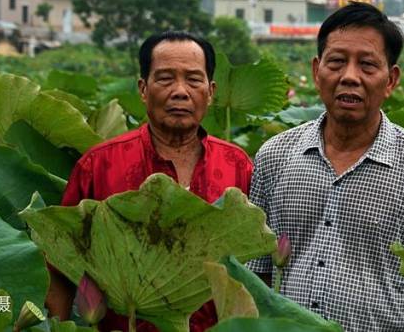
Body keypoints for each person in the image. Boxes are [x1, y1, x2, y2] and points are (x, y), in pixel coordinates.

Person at [247, 2, 404, 332]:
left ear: (391, 80)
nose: (350, 77)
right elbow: (256, 274)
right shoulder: (274, 156)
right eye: (336, 62)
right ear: (316, 71)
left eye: (366, 65)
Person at [45, 31, 253, 332]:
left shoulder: (238, 165)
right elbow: (60, 264)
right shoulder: (99, 165)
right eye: (166, 79)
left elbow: (257, 267)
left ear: (211, 91)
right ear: (143, 89)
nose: (180, 91)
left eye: (194, 80)